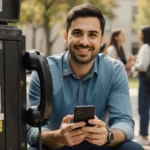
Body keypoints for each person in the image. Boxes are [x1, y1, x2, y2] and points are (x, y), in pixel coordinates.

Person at [27, 3, 143, 150]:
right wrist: (57, 136)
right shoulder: (44, 71)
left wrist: (108, 136)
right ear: (66, 36)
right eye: (77, 33)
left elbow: (124, 121)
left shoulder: (114, 69)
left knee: (133, 148)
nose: (84, 41)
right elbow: (32, 129)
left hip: (100, 145)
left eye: (92, 35)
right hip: (57, 145)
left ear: (102, 40)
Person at [133, 25, 150, 146]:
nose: (139, 35)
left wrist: (134, 65)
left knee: (143, 108)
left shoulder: (146, 47)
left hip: (145, 80)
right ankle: (143, 134)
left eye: (140, 33)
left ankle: (143, 135)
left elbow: (143, 66)